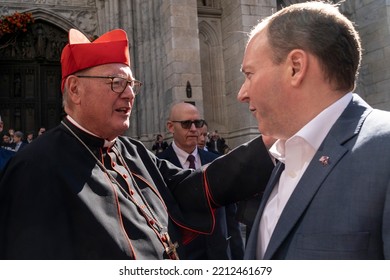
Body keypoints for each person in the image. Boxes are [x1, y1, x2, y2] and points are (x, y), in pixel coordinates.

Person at [0, 28, 274, 260]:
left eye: (132, 84)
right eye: (117, 82)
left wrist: (269, 147)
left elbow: (190, 187)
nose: (130, 94)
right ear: (74, 89)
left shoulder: (131, 150)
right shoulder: (34, 167)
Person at [238, 1, 390, 260]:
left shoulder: (383, 151)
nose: (242, 93)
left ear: (295, 67)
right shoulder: (287, 157)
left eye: (249, 74)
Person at [157, 102, 244, 259]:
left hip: (219, 255)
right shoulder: (157, 166)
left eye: (197, 123)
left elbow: (231, 216)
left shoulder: (217, 162)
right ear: (170, 127)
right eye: (186, 123)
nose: (193, 129)